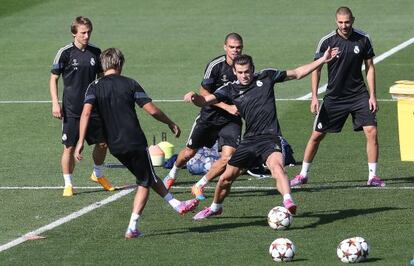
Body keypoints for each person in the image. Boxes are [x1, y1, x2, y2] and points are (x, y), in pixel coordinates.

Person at [185, 49, 338, 220]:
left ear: (253, 69)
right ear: (235, 72)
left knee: (277, 167)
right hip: (249, 140)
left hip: (270, 137)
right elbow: (205, 101)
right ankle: (215, 208)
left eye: (247, 71)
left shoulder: (266, 77)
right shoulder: (229, 89)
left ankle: (288, 200)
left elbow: (296, 73)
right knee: (225, 179)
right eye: (240, 72)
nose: (244, 75)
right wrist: (194, 97)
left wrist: (322, 60)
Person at [74, 48, 199, 239]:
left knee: (147, 174)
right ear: (119, 64)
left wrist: (81, 141)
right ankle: (133, 227)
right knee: (144, 180)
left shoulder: (94, 86)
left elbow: (85, 113)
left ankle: (177, 204)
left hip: (114, 145)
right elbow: (151, 110)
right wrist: (170, 122)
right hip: (133, 140)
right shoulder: (129, 83)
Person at [290, 6, 385, 188]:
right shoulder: (327, 41)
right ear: (336, 22)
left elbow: (370, 67)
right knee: (317, 135)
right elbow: (315, 69)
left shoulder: (363, 39)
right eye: (341, 22)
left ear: (353, 20)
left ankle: (373, 176)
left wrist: (372, 95)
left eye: (347, 22)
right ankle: (303, 174)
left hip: (359, 95)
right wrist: (314, 97)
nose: (344, 25)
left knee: (372, 132)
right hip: (334, 97)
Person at [163, 33, 243, 200]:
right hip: (209, 116)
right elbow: (204, 92)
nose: (236, 50)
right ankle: (172, 174)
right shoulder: (215, 66)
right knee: (188, 153)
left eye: (238, 47)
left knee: (228, 157)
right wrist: (226, 106)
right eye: (232, 47)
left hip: (231, 120)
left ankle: (199, 185)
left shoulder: (244, 66)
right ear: (225, 47)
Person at [49, 16, 114, 197]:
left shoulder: (96, 52)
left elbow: (102, 79)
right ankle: (68, 184)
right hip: (71, 109)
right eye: (83, 33)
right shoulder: (65, 53)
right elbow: (53, 78)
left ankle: (98, 174)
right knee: (69, 147)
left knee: (102, 143)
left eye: (89, 32)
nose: (87, 36)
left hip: (93, 108)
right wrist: (55, 103)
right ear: (74, 33)